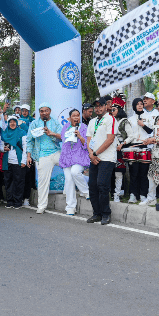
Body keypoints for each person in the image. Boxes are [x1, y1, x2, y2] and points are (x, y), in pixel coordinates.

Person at [25, 102, 62, 214]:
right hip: (41, 155)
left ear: (50, 111)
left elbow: (62, 137)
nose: (44, 113)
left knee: (71, 167)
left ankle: (74, 198)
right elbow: (29, 140)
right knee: (42, 182)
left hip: (55, 152)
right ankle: (41, 206)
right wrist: (28, 156)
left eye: (46, 110)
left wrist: (52, 134)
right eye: (42, 111)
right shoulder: (34, 123)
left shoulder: (55, 122)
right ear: (39, 112)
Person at [86, 96, 116, 225]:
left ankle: (106, 214)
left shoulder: (111, 119)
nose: (98, 108)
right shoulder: (92, 121)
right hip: (94, 158)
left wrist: (96, 153)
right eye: (96, 106)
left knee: (102, 185)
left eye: (100, 106)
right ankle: (96, 213)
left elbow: (110, 139)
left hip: (107, 158)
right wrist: (91, 155)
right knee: (92, 186)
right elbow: (88, 139)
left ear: (106, 106)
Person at [59, 108, 90, 215]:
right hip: (67, 157)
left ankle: (86, 191)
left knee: (75, 172)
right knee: (68, 180)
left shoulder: (84, 127)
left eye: (78, 115)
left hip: (80, 157)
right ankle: (70, 206)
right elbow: (63, 139)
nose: (76, 117)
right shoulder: (66, 127)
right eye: (74, 116)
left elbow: (87, 144)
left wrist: (80, 136)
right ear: (70, 118)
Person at [125, 97, 150, 204]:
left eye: (141, 104)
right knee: (133, 172)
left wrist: (143, 125)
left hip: (145, 146)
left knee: (144, 173)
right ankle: (133, 194)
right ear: (134, 106)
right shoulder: (130, 119)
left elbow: (151, 131)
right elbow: (128, 135)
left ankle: (143, 194)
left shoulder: (149, 117)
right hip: (133, 147)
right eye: (137, 104)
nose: (140, 105)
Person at [1, 115, 27, 209]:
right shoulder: (4, 133)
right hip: (7, 161)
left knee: (18, 182)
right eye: (10, 122)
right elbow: (0, 146)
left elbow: (25, 147)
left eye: (14, 122)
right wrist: (2, 148)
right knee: (8, 181)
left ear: (17, 123)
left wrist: (24, 161)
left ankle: (17, 201)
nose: (12, 123)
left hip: (18, 161)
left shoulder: (22, 132)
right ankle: (10, 201)